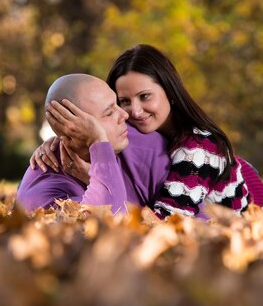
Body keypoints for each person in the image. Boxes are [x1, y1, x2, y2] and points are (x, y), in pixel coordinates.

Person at [36, 45, 263, 217]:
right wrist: (58, 141)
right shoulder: (126, 122)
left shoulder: (197, 149)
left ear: (170, 91)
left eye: (145, 96)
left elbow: (171, 220)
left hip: (242, 192)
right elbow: (97, 131)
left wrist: (91, 177)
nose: (133, 112)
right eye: (123, 101)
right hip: (207, 180)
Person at [17, 73, 171, 214]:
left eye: (117, 103)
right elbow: (108, 217)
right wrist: (98, 142)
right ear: (72, 128)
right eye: (109, 112)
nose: (124, 114)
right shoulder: (40, 196)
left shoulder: (144, 143)